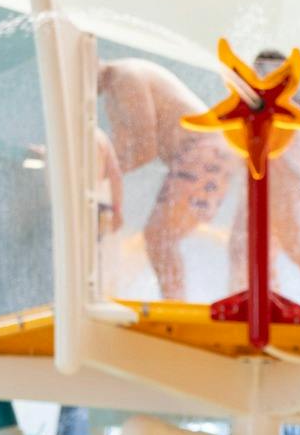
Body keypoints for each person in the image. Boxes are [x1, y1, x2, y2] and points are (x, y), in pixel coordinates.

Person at [97, 58, 239, 302]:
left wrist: (96, 172)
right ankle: (175, 300)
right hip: (205, 152)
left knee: (159, 236)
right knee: (160, 237)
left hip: (203, 151)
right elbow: (115, 150)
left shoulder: (125, 77)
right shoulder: (116, 89)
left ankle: (175, 303)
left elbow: (144, 149)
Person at [225, 49, 300, 310]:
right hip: (269, 183)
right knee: (246, 248)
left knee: (292, 248)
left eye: (263, 72)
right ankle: (260, 302)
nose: (260, 78)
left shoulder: (288, 110)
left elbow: (285, 158)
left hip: (285, 185)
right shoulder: (276, 108)